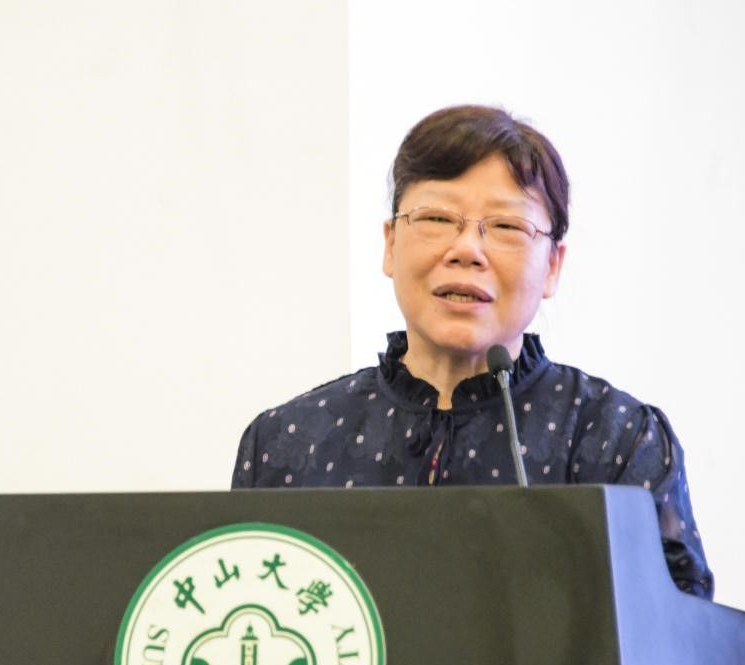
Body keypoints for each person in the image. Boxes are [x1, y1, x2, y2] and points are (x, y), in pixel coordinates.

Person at [231, 105, 713, 599]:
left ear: (552, 266)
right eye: (437, 219)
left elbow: (675, 627)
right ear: (390, 245)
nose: (467, 250)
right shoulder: (288, 443)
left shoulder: (616, 438)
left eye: (506, 227)